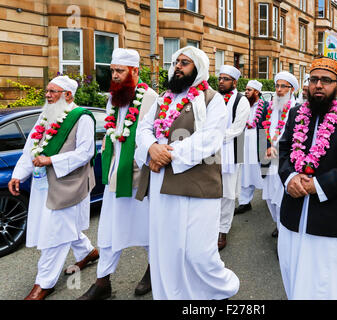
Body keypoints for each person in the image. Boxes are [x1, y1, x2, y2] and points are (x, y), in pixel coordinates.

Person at [134, 46, 239, 299]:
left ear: (198, 68)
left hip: (196, 186)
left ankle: (220, 288)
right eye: (176, 62)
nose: (178, 67)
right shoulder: (163, 98)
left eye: (185, 63)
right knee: (166, 248)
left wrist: (166, 154)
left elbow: (209, 139)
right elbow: (143, 129)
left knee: (198, 252)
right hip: (161, 186)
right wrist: (151, 148)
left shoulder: (213, 100)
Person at [277, 57, 337, 299]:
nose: (318, 85)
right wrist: (290, 179)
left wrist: (317, 186)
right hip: (293, 212)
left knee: (324, 283)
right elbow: (285, 151)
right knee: (292, 272)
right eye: (314, 80)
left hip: (331, 217)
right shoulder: (296, 113)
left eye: (326, 80)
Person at [8, 76, 98, 300]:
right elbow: (31, 146)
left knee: (55, 233)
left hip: (69, 185)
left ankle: (44, 283)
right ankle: (88, 252)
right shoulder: (45, 114)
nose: (47, 95)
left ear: (68, 95)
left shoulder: (82, 118)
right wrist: (18, 174)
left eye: (53, 91)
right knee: (62, 225)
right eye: (46, 91)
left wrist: (51, 161)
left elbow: (86, 152)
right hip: (43, 184)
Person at [78, 49, 158, 300]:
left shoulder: (151, 98)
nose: (114, 75)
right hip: (116, 177)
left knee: (148, 230)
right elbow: (111, 135)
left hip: (141, 177)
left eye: (120, 71)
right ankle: (103, 282)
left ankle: (154, 271)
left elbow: (155, 138)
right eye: (112, 70)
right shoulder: (113, 99)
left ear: (135, 71)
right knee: (110, 229)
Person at [261, 71, 299, 239]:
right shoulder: (270, 107)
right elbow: (263, 130)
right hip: (269, 156)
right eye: (277, 85)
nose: (279, 90)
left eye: (284, 86)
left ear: (292, 90)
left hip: (285, 159)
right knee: (269, 194)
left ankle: (284, 228)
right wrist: (267, 146)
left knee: (282, 194)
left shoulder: (297, 109)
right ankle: (277, 222)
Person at [217, 65, 250, 250]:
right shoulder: (213, 98)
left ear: (234, 82)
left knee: (227, 193)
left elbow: (238, 128)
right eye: (220, 78)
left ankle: (223, 230)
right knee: (212, 188)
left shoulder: (241, 100)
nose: (221, 81)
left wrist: (214, 137)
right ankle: (211, 225)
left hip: (233, 148)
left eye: (225, 79)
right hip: (213, 150)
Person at [235, 80, 267, 215]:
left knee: (263, 170)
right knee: (244, 172)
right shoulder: (242, 104)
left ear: (257, 92)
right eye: (246, 89)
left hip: (259, 140)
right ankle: (244, 202)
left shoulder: (265, 106)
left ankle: (270, 198)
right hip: (242, 140)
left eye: (249, 90)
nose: (246, 92)